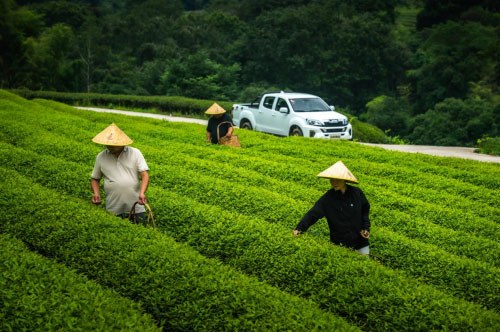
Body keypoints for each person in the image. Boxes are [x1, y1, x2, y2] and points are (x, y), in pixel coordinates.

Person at [293, 161, 371, 255]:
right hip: (339, 244)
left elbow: (365, 211)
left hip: (360, 243)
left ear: (344, 180)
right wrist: (299, 229)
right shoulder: (328, 198)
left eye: (337, 180)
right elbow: (313, 214)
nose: (334, 183)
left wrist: (365, 228)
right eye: (332, 180)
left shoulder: (357, 193)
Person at [90, 123, 150, 222]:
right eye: (108, 144)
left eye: (113, 145)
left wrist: (142, 193)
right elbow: (95, 179)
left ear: (122, 143)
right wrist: (96, 194)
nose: (110, 146)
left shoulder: (135, 153)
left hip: (136, 206)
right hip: (113, 206)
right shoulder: (101, 156)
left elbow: (145, 175)